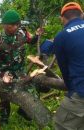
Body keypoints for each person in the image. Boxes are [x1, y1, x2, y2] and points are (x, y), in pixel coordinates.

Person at [0, 10, 42, 124]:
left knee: (32, 91)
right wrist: (1, 74)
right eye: (12, 25)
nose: (15, 27)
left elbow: (31, 41)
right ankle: (4, 119)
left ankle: (24, 111)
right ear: (5, 25)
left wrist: (37, 35)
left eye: (17, 25)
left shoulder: (22, 32)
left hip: (20, 70)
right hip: (6, 72)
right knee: (4, 96)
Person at [53, 2, 84, 130]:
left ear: (62, 18)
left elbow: (64, 69)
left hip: (81, 91)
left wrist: (71, 89)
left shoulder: (61, 36)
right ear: (82, 15)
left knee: (62, 125)